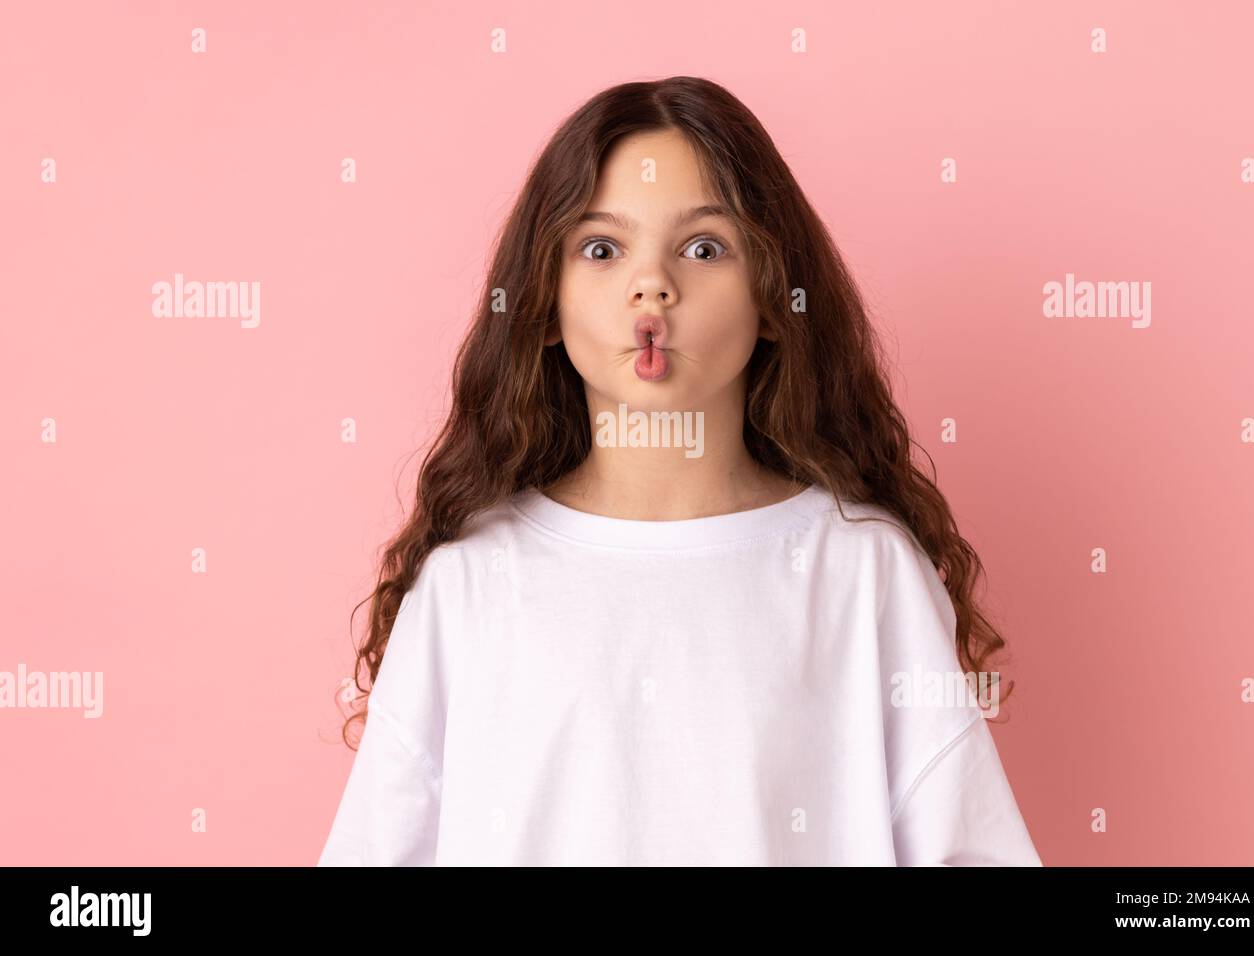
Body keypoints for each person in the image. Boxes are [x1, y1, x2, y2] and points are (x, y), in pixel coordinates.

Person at [317, 76, 1042, 866]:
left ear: (772, 296)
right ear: (544, 302)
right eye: (601, 248)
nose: (651, 282)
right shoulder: (469, 582)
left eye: (704, 248)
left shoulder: (863, 574)